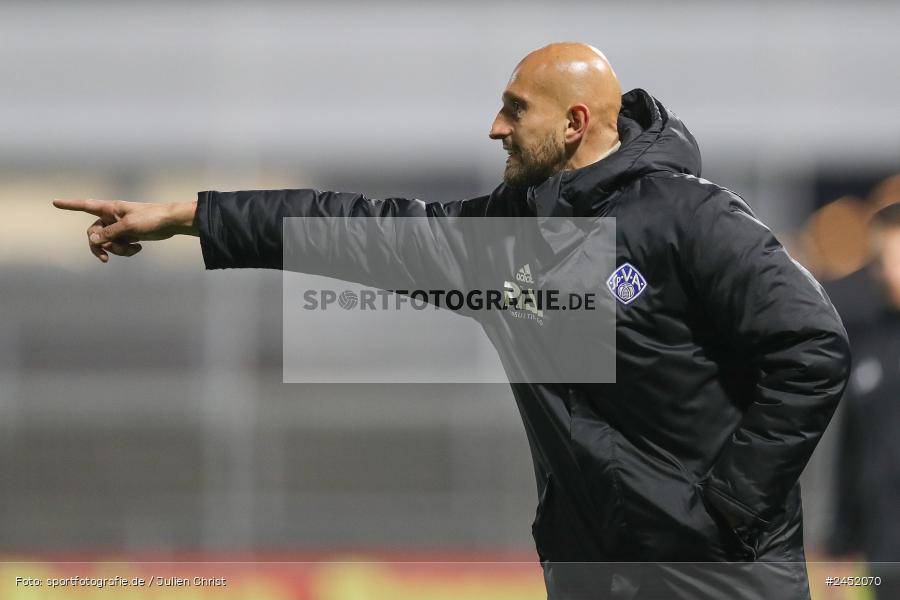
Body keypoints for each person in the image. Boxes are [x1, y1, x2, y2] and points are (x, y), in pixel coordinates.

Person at [54, 42, 851, 599]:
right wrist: (189, 216)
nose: (495, 127)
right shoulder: (509, 236)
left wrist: (729, 506)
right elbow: (355, 229)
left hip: (718, 575)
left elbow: (812, 348)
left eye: (514, 110)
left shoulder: (692, 217)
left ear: (574, 123)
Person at [827, 202, 900, 598]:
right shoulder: (867, 340)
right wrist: (841, 545)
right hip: (881, 551)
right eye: (882, 257)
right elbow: (854, 451)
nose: (888, 271)